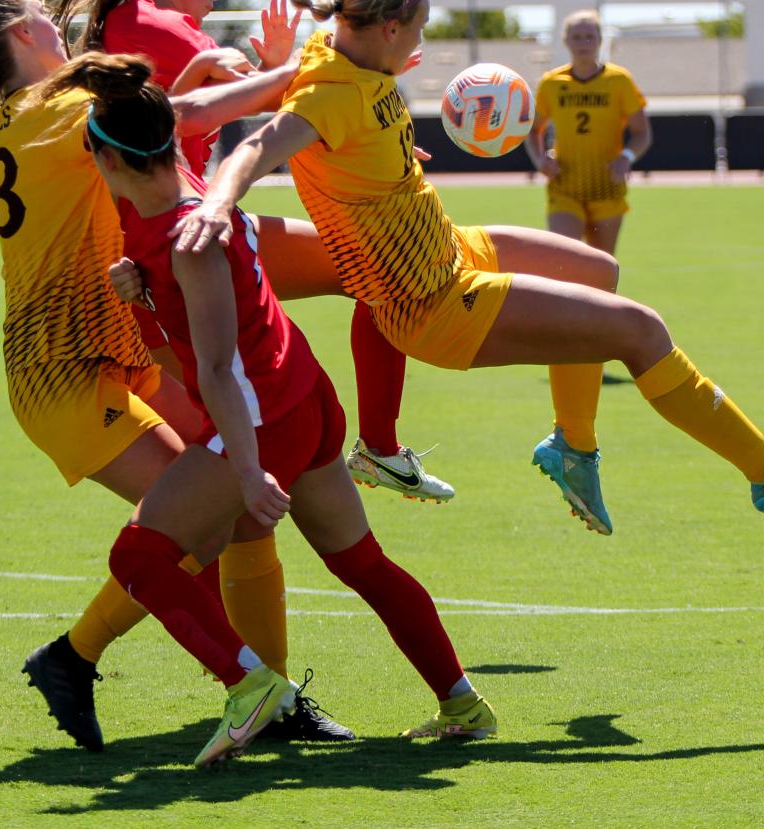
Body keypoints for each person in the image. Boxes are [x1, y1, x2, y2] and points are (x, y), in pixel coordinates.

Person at [176, 0, 764, 532]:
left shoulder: (345, 59)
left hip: (447, 248)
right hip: (433, 303)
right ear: (389, 27)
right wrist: (215, 201)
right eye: (417, 31)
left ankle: (572, 448)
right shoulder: (331, 86)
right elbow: (253, 147)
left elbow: (316, 114)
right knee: (639, 330)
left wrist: (382, 141)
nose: (418, 44)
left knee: (595, 269)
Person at [0, 0, 351, 753]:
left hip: (116, 346)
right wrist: (303, 78)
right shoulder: (52, 106)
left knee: (239, 501)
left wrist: (231, 76)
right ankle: (76, 657)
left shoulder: (33, 113)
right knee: (199, 521)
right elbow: (181, 123)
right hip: (66, 371)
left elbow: (160, 132)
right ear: (24, 30)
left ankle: (273, 696)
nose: (56, 20)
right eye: (42, 12)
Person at [74, 52, 494, 762]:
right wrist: (142, 299)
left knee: (138, 556)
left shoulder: (187, 238)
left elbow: (211, 367)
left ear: (109, 162)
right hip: (304, 395)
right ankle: (462, 700)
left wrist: (244, 471)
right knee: (361, 561)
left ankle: (249, 684)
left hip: (265, 417)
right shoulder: (179, 193)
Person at [20, 0, 453, 504]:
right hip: (183, 237)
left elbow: (288, 104)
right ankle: (375, 449)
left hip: (163, 242)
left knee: (223, 454)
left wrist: (369, 123)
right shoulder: (156, 25)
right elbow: (281, 103)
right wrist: (326, 78)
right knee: (371, 273)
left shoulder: (129, 22)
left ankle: (351, 462)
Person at [525, 9, 651, 257]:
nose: (583, 43)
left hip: (607, 186)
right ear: (565, 41)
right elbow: (532, 130)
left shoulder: (619, 80)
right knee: (565, 260)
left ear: (600, 40)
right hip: (565, 185)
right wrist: (540, 160)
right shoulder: (551, 83)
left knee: (600, 270)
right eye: (576, 37)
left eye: (589, 36)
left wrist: (626, 156)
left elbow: (642, 133)